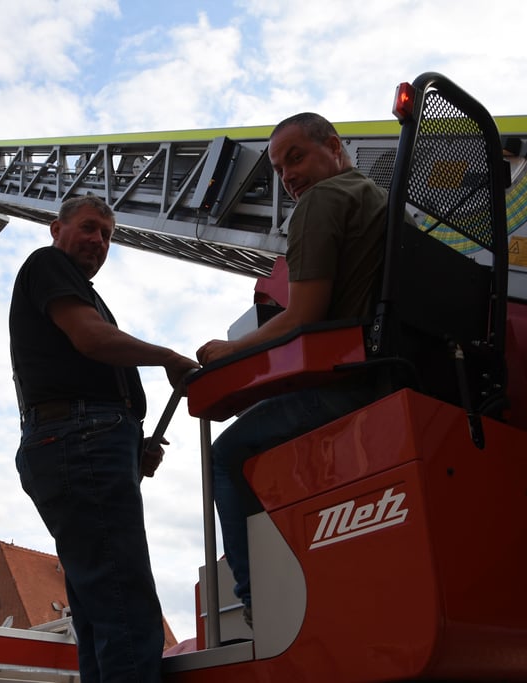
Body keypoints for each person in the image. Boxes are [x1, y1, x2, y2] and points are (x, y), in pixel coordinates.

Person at [197, 112, 406, 623]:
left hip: (347, 386)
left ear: (333, 146)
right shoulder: (382, 202)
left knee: (224, 456)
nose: (287, 176)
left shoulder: (322, 201)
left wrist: (230, 353)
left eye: (296, 157)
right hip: (389, 375)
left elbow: (303, 317)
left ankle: (257, 599)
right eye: (277, 168)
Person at [11, 195, 199, 682]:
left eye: (108, 235)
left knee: (100, 604)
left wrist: (132, 441)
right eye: (90, 228)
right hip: (81, 439)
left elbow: (88, 355)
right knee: (123, 599)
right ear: (57, 228)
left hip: (77, 441)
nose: (99, 241)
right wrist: (170, 358)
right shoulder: (48, 264)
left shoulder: (74, 290)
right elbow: (92, 339)